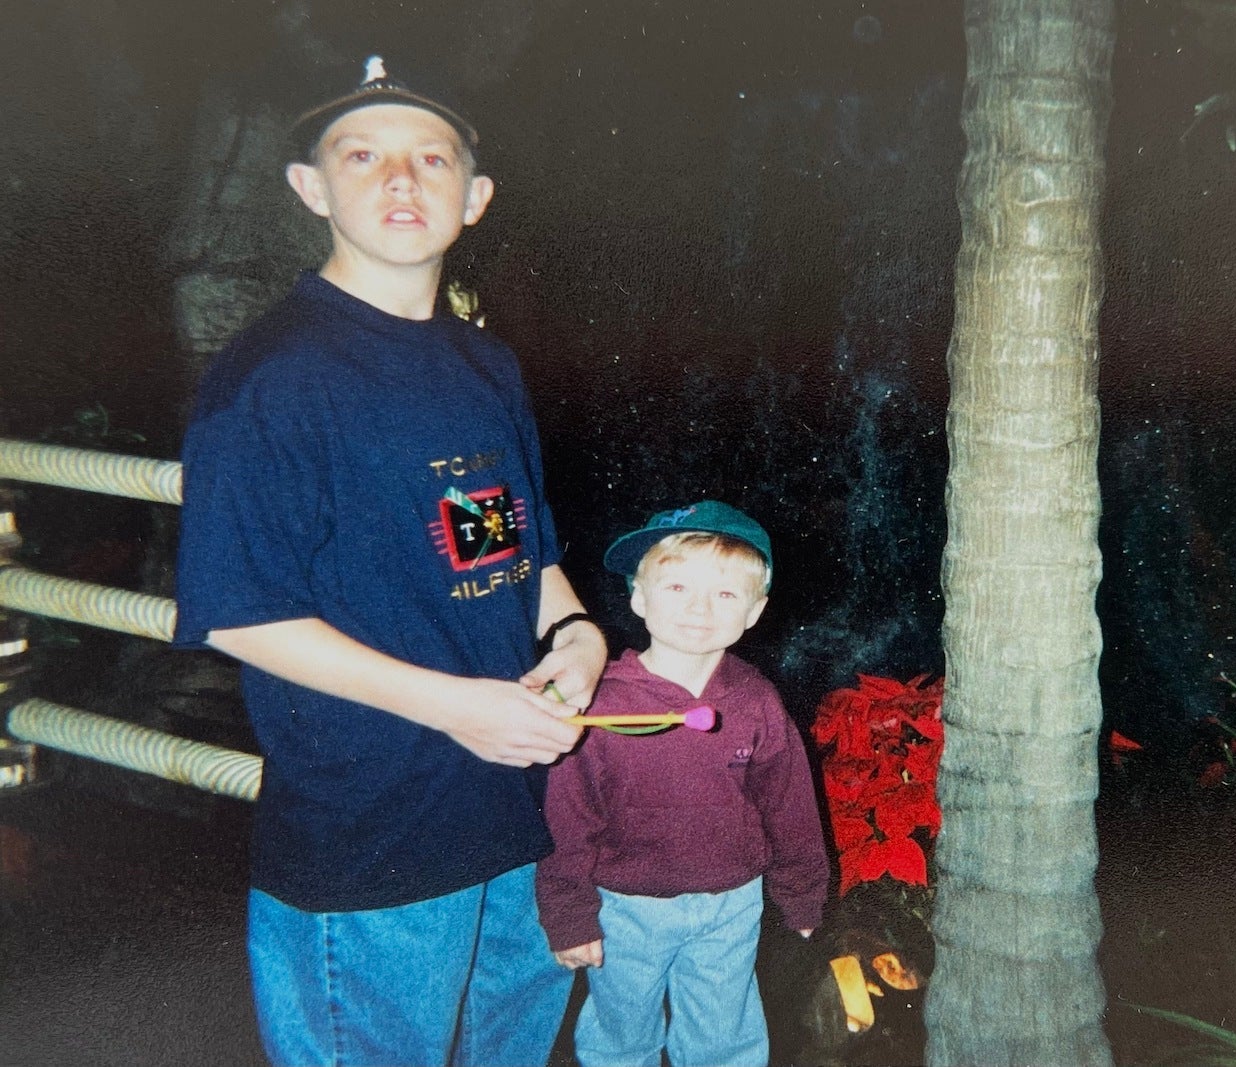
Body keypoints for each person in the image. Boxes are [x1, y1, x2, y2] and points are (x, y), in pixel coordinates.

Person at [172, 54, 607, 1067]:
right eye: (362, 155)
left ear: (476, 195)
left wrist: (577, 631)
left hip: (522, 811)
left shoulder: (483, 362)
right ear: (310, 189)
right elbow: (239, 609)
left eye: (431, 158)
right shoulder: (273, 375)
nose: (401, 182)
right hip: (373, 828)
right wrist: (457, 704)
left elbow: (518, 545)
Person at [535, 500, 829, 1067]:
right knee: (620, 1037)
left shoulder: (757, 700)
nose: (699, 609)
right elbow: (567, 820)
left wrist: (801, 894)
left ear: (754, 610)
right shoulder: (599, 703)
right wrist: (569, 915)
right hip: (626, 908)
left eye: (725, 594)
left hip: (732, 904)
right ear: (639, 597)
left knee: (725, 1040)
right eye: (676, 588)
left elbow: (790, 806)